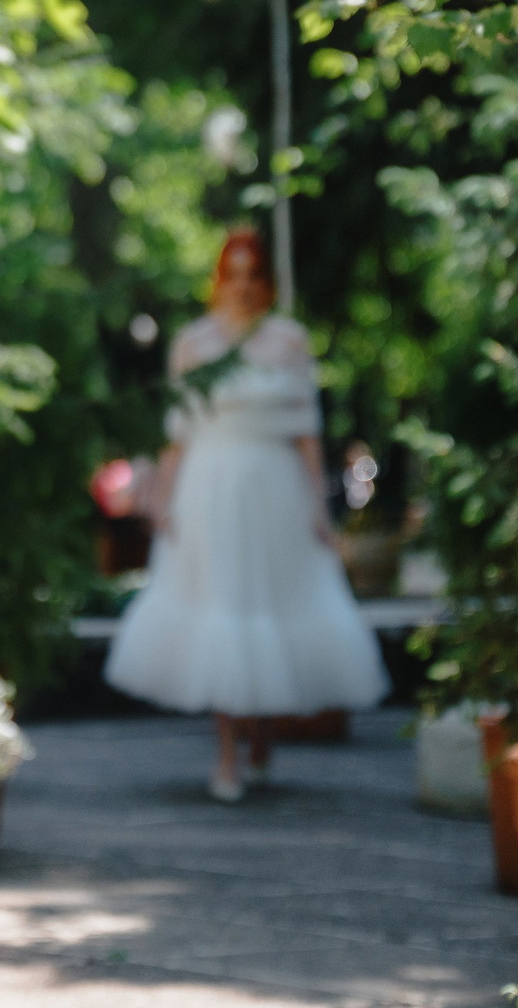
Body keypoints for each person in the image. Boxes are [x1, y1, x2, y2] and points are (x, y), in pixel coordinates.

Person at [103, 227, 388, 802]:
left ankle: (261, 738)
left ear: (266, 283)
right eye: (231, 274)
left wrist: (317, 509)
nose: (241, 286)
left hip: (276, 491)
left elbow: (309, 433)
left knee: (271, 607)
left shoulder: (290, 341)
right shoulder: (193, 342)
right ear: (218, 280)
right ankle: (227, 753)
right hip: (209, 492)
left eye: (252, 275)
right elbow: (177, 434)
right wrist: (160, 496)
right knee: (222, 606)